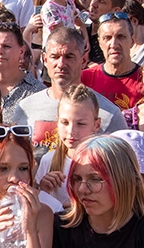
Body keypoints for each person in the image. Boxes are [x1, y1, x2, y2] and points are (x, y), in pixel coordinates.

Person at [11, 28, 128, 161]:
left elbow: (120, 169)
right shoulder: (26, 108)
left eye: (69, 57)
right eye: (54, 57)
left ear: (83, 60)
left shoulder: (109, 114)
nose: (61, 64)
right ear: (45, 59)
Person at [36, 85, 101, 211]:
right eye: (65, 122)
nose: (71, 131)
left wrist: (80, 209)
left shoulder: (104, 163)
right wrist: (43, 190)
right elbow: (41, 208)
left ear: (96, 125)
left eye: (81, 124)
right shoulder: (48, 160)